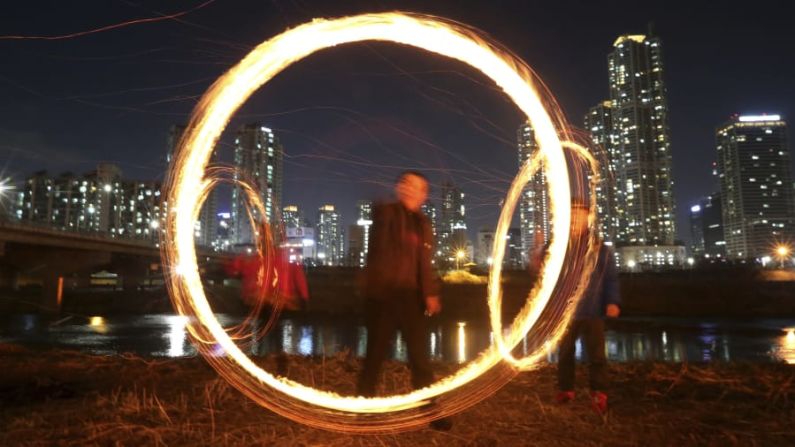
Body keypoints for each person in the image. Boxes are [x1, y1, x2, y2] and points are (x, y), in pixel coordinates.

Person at [357, 171, 451, 430]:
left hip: (410, 298)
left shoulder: (423, 224)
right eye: (406, 184)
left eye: (417, 187)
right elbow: (378, 245)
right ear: (399, 188)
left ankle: (431, 410)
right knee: (375, 354)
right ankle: (363, 409)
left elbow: (424, 264)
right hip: (383, 296)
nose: (411, 190)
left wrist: (430, 293)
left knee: (420, 358)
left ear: (424, 195)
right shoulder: (387, 213)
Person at [553, 203, 620, 415]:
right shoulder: (560, 247)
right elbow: (548, 275)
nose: (575, 220)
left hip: (593, 310)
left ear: (588, 219)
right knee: (564, 353)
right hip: (566, 312)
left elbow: (610, 279)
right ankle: (566, 389)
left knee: (597, 355)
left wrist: (612, 302)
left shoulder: (600, 248)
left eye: (579, 216)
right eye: (571, 216)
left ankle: (599, 392)